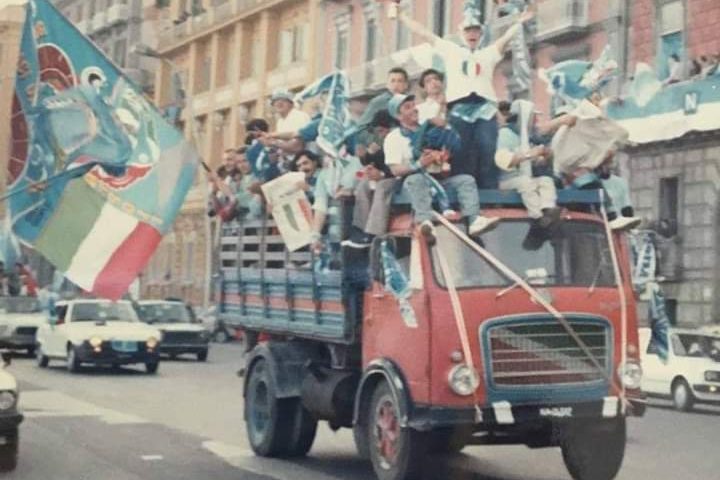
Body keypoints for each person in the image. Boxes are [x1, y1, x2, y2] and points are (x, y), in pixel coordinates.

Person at [399, 6, 535, 188]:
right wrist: (402, 16)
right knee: (461, 151)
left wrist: (519, 21)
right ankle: (463, 191)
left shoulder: (488, 53)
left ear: (481, 33)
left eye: (476, 30)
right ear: (461, 32)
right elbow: (424, 33)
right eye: (468, 30)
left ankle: (489, 193)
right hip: (459, 108)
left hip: (484, 108)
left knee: (488, 149)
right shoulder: (451, 50)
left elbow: (505, 39)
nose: (472, 34)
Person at [384, 93, 498, 236]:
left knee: (466, 180)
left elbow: (450, 147)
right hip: (411, 183)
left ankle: (474, 219)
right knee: (416, 179)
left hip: (438, 180)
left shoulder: (431, 128)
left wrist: (443, 155)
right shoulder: (393, 137)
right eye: (408, 107)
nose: (414, 109)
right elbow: (395, 170)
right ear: (398, 116)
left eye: (414, 105)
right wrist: (419, 164)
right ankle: (424, 222)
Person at [495, 100, 561, 228]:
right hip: (506, 180)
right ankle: (537, 216)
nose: (534, 120)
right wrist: (531, 154)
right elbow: (503, 161)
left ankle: (548, 209)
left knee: (545, 180)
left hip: (525, 178)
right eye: (532, 117)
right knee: (525, 182)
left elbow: (531, 161)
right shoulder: (505, 134)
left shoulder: (527, 137)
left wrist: (543, 156)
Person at [349, 110, 398, 246]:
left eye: (382, 131)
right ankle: (362, 228)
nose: (380, 135)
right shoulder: (382, 145)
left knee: (382, 186)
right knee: (363, 185)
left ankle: (374, 232)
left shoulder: (400, 139)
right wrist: (367, 157)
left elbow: (400, 167)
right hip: (386, 178)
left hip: (401, 179)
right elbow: (373, 162)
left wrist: (382, 175)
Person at [597, 154, 642, 230]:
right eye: (603, 165)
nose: (606, 167)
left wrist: (630, 228)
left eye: (608, 163)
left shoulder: (620, 182)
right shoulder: (593, 183)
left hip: (617, 225)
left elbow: (626, 208)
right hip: (599, 225)